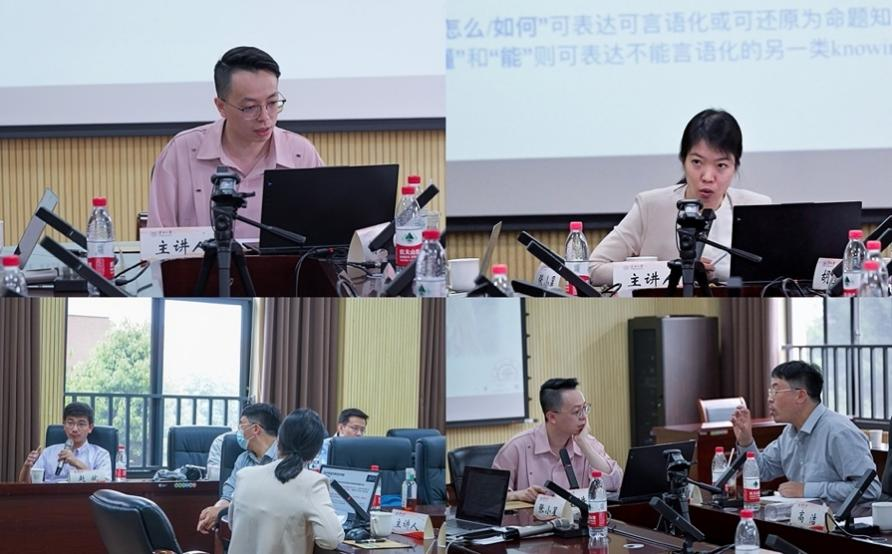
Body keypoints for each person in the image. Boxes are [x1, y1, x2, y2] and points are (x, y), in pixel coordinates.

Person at [148, 46, 323, 238]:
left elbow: (325, 237)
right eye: (250, 107)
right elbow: (158, 240)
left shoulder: (301, 155)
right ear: (221, 106)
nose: (265, 117)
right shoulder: (180, 153)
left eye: (272, 103)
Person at [589, 109, 772, 285]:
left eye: (721, 165)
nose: (708, 177)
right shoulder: (651, 207)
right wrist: (675, 271)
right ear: (683, 160)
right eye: (697, 162)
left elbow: (775, 277)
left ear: (735, 166)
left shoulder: (757, 207)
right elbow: (594, 269)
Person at [730, 361, 880, 504]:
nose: (769, 399)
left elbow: (870, 489)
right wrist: (746, 440)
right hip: (802, 517)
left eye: (775, 391)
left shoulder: (840, 432)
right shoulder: (789, 433)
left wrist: (807, 490)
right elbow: (762, 471)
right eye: (770, 392)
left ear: (800, 395)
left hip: (836, 521)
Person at [228, 408, 344, 553]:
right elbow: (331, 539)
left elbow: (232, 523)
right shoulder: (312, 483)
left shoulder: (244, 476)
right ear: (315, 451)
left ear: (279, 440)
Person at [493, 378, 623, 502]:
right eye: (577, 411)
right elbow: (489, 496)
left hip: (579, 519)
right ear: (552, 417)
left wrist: (584, 444)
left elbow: (616, 484)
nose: (584, 417)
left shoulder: (589, 444)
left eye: (585, 408)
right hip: (532, 518)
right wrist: (517, 495)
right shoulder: (517, 447)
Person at [196, 403, 281, 534]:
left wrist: (221, 511)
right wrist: (215, 510)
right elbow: (228, 494)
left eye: (242, 426)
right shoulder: (243, 459)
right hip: (243, 526)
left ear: (255, 429)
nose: (239, 432)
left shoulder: (284, 457)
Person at [18, 402, 111, 483]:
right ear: (64, 425)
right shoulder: (48, 452)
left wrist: (75, 462)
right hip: (51, 496)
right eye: (70, 423)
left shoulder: (100, 454)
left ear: (90, 428)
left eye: (81, 424)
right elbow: (25, 483)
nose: (75, 429)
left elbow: (105, 483)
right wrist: (27, 466)